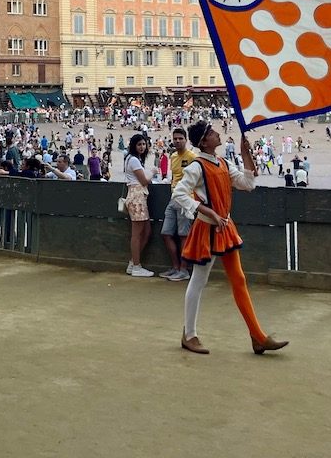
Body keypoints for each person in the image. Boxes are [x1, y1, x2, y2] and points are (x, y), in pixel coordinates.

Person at [173, 121, 287, 355]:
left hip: (223, 227)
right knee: (199, 280)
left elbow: (247, 183)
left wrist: (246, 155)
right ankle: (190, 334)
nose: (217, 133)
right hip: (207, 230)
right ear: (205, 141)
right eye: (212, 132)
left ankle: (257, 335)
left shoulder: (223, 163)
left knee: (238, 280)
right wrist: (206, 211)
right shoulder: (197, 166)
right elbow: (178, 193)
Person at [159, 128, 196, 282]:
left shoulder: (193, 157)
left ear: (186, 140)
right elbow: (174, 177)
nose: (177, 141)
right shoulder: (173, 156)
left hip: (186, 199)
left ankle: (183, 269)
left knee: (183, 236)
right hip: (173, 198)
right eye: (175, 138)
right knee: (166, 233)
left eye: (180, 138)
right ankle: (176, 267)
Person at [123, 133, 154, 277]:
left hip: (136, 195)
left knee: (145, 232)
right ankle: (136, 265)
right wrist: (153, 172)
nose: (142, 147)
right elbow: (144, 181)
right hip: (137, 196)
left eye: (143, 144)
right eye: (139, 144)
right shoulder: (134, 160)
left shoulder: (131, 159)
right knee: (137, 234)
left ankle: (133, 263)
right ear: (134, 146)